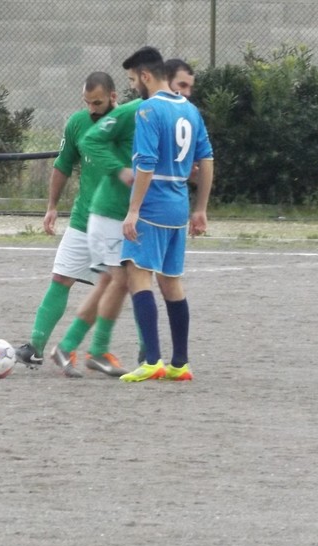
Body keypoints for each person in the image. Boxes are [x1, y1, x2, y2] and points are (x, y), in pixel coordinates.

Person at [50, 56, 201, 376]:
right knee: (121, 279)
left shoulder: (172, 114)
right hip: (111, 211)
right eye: (181, 86)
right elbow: (91, 139)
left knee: (120, 279)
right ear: (164, 80)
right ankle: (92, 349)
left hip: (132, 214)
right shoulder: (138, 110)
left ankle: (80, 348)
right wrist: (121, 170)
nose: (185, 93)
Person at [118, 46, 214, 383]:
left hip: (154, 203)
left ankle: (153, 360)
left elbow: (145, 163)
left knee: (137, 273)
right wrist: (200, 208)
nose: (133, 87)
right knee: (171, 281)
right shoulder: (190, 110)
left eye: (133, 80)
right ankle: (180, 363)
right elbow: (207, 160)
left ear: (145, 76)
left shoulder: (148, 110)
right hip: (178, 205)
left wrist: (132, 210)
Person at [14, 72, 120, 370]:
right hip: (83, 218)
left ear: (114, 96)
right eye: (87, 102)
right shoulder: (77, 123)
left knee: (122, 288)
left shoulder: (129, 125)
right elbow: (62, 166)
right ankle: (35, 346)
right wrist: (51, 206)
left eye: (97, 102)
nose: (92, 109)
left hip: (116, 221)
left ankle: (127, 354)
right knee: (61, 277)